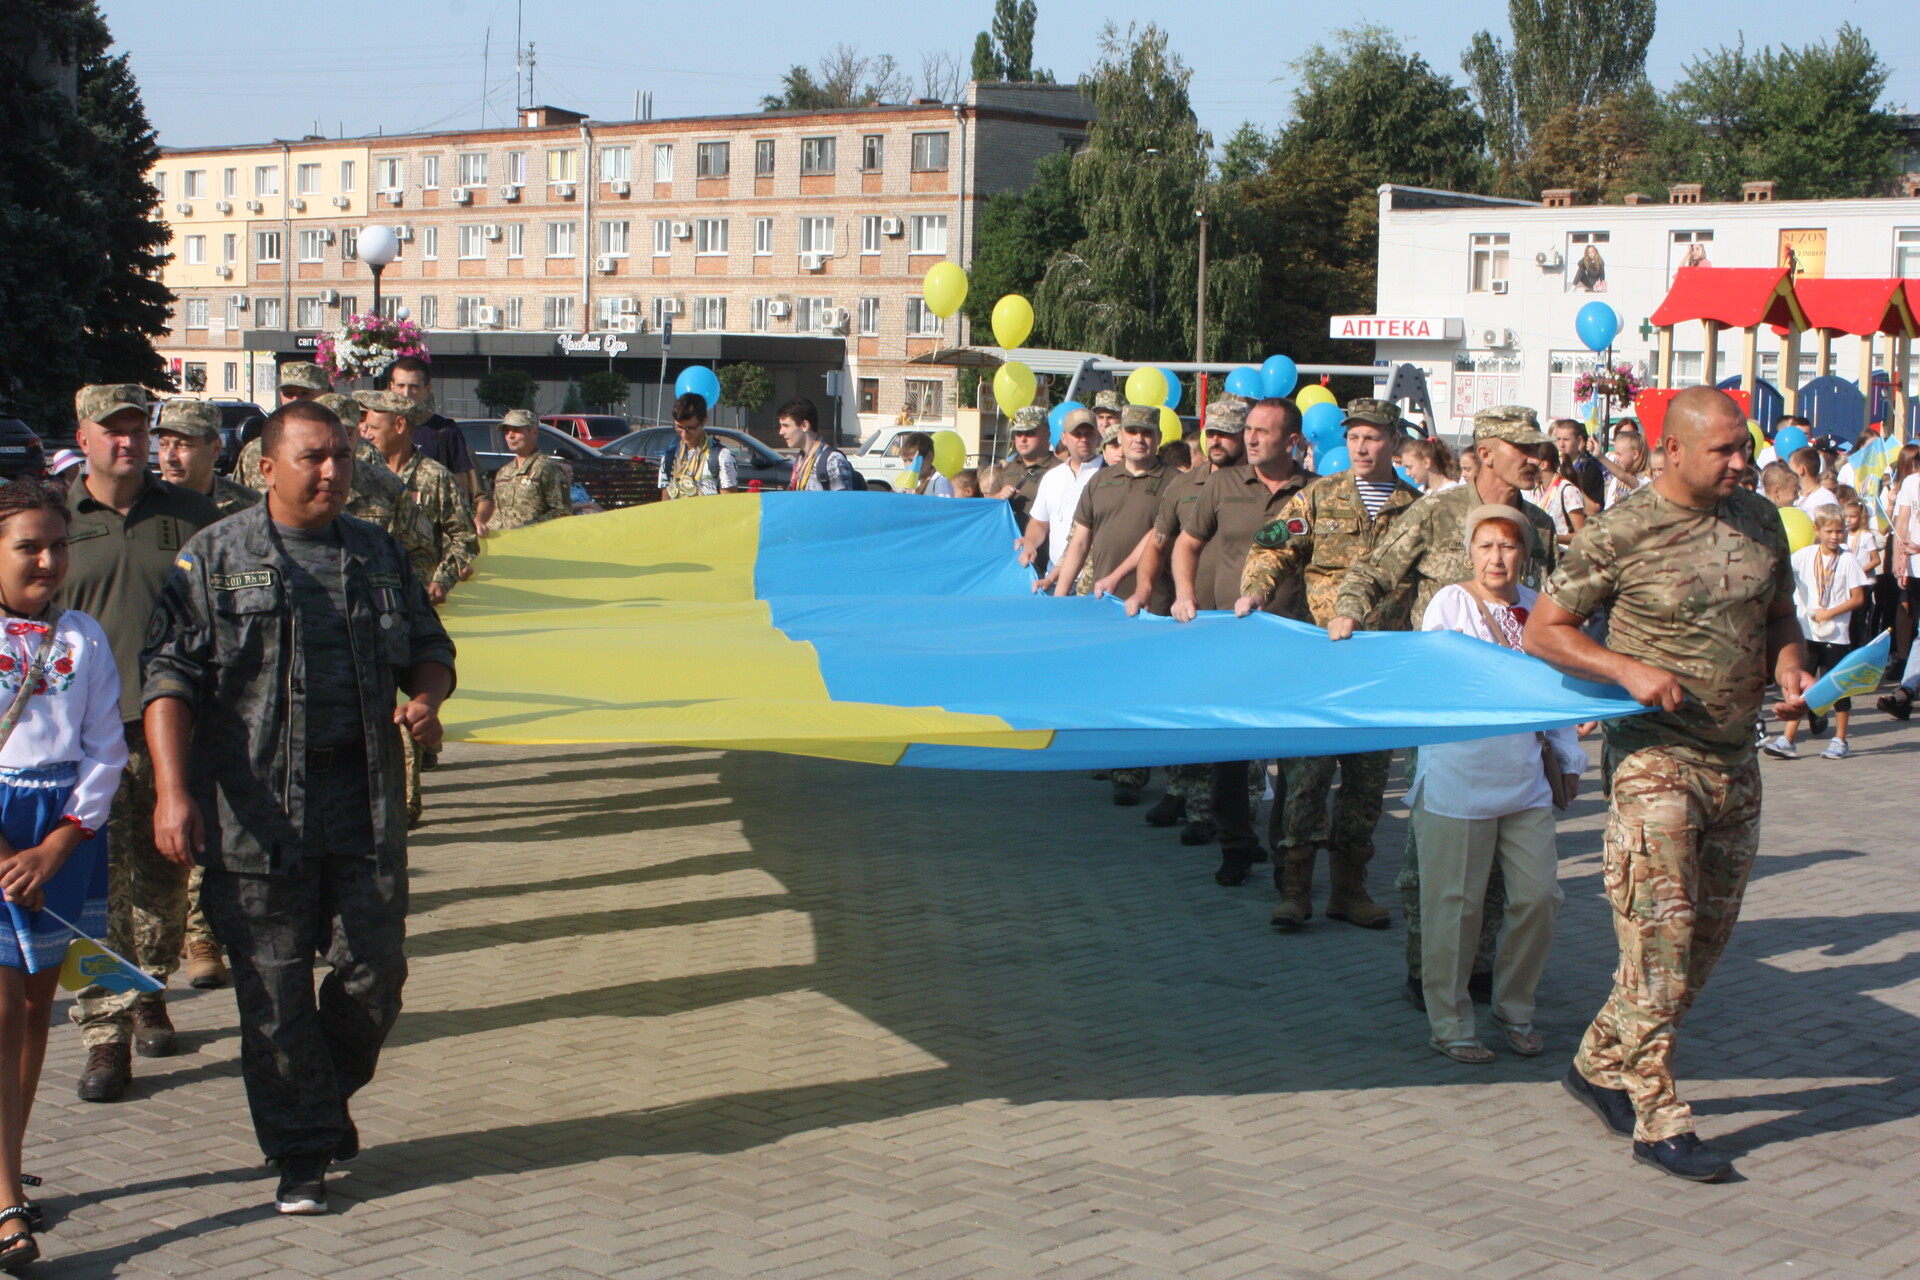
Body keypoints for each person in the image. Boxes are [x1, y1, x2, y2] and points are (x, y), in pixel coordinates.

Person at [143, 398, 456, 1215]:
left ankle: (314, 1096)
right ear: (266, 467)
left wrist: (426, 699)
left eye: (343, 458)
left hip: (363, 802)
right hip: (255, 814)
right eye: (314, 457)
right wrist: (173, 793)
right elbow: (167, 678)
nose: (331, 473)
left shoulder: (377, 553)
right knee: (273, 994)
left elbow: (430, 646)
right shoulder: (215, 558)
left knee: (375, 977)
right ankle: (302, 1152)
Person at [1525, 384, 1813, 1184]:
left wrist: (1791, 664)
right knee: (1661, 946)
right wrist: (1626, 669)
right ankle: (1659, 1116)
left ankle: (1594, 1065)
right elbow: (1544, 632)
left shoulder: (1756, 518)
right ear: (1672, 451)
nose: (1739, 460)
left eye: (1742, 446)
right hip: (1654, 761)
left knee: (1703, 951)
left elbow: (1780, 615)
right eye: (1723, 449)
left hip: (1735, 760)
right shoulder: (1619, 533)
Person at [1330, 406, 1558, 1004]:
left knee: (1503, 874)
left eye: (1537, 448)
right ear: (1486, 451)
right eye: (1522, 447)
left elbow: (1561, 605)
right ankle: (1425, 974)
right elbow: (1377, 570)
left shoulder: (1536, 524)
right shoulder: (1437, 511)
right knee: (1430, 867)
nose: (1536, 458)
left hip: (1515, 724)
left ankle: (1479, 971)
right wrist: (1348, 609)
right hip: (1449, 717)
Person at [58, 385, 218, 1103]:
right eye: (111, 431)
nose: (127, 443)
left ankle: (147, 984)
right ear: (83, 435)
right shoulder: (56, 517)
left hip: (169, 726)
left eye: (136, 431)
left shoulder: (189, 515)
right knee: (92, 892)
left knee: (161, 880)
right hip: (80, 737)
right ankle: (105, 1037)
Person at [0, 479, 128, 1271]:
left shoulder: (83, 638)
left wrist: (58, 847)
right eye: (27, 547)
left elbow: (105, 745)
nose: (48, 560)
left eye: (57, 544)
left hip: (62, 838)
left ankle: (7, 1154)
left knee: (36, 1009)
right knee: (3, 1011)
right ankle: (7, 1196)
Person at [1238, 399, 1422, 922]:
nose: (1362, 447)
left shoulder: (1415, 507)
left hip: (1377, 671)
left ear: (1394, 443)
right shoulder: (1319, 498)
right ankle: (1295, 890)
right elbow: (1272, 547)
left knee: (1365, 786)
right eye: (1355, 437)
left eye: (1373, 437)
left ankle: (1350, 891)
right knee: (1306, 779)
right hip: (1321, 664)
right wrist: (1254, 590)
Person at [1412, 506, 1583, 1064]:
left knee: (1538, 897)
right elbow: (1437, 680)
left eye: (1508, 547)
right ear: (1470, 552)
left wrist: (1570, 755)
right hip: (1458, 779)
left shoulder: (1539, 610)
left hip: (1524, 780)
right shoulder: (1450, 604)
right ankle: (1451, 1023)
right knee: (1454, 906)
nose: (1496, 557)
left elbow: (1555, 691)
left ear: (1525, 556)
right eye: (1485, 546)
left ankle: (1515, 1009)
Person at [1166, 396, 1314, 877]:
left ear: (1292, 441)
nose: (1249, 438)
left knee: (1294, 755)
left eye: (1262, 431)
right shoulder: (1223, 483)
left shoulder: (1317, 490)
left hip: (1295, 639)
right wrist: (1184, 595)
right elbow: (1186, 544)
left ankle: (1287, 852)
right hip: (1230, 636)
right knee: (1231, 748)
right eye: (1247, 429)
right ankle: (1234, 842)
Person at [1043, 405, 1173, 806]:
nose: (1139, 439)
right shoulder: (1101, 481)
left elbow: (1161, 537)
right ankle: (1116, 758)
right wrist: (1062, 598)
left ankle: (1133, 771)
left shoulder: (1174, 481)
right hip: (1104, 606)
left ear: (1157, 438)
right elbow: (1079, 541)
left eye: (1147, 433)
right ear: (1118, 437)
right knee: (1111, 685)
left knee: (1146, 689)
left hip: (1155, 605)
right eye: (1132, 432)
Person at [1761, 506, 1866, 761]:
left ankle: (1840, 739)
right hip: (1808, 632)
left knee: (1839, 688)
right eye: (1829, 531)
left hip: (1837, 635)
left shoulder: (1848, 560)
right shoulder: (1806, 556)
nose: (1835, 536)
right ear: (1816, 531)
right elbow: (1782, 569)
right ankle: (1788, 738)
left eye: (1839, 531)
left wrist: (1830, 613)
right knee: (1800, 686)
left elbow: (1858, 598)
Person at [386, 355, 489, 533]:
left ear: (427, 389)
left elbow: (460, 490)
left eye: (414, 387)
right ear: (391, 387)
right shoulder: (381, 429)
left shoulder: (445, 431)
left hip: (431, 534)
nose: (406, 393)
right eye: (401, 386)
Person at [1019, 409, 1103, 573]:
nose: (1083, 439)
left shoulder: (1109, 476)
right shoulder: (1052, 477)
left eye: (1089, 433)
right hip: (1054, 572)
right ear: (1064, 438)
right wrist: (1030, 542)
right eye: (1077, 434)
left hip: (1093, 578)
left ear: (1098, 438)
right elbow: (1039, 523)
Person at [154, 400, 259, 520]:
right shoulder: (143, 507)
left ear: (215, 449)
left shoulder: (249, 506)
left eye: (183, 445)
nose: (169, 458)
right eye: (163, 444)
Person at [483, 409, 572, 534]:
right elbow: (497, 512)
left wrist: (528, 527)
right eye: (507, 431)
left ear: (534, 432)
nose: (510, 435)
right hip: (505, 543)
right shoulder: (504, 472)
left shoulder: (547, 468)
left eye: (516, 430)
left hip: (534, 543)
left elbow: (562, 512)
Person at [660, 393, 737, 499]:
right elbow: (665, 505)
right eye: (679, 427)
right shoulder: (669, 456)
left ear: (704, 420)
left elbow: (729, 504)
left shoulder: (722, 457)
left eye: (690, 428)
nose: (684, 434)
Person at [778, 398, 856, 492]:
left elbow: (843, 503)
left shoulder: (833, 460)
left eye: (786, 426)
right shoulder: (800, 459)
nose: (781, 432)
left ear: (804, 426)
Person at [1530, 442, 1589, 548]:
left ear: (1543, 464)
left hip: (1564, 556)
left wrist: (1551, 538)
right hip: (1544, 554)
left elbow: (1581, 533)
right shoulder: (1538, 490)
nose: (1529, 468)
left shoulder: (1567, 490)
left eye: (1532, 464)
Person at [1552, 419, 1606, 509]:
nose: (1561, 444)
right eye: (1558, 439)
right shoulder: (1554, 465)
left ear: (1580, 440)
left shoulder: (1590, 469)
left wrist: (1574, 486)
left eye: (1566, 440)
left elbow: (1594, 510)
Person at [1598, 427, 1649, 509]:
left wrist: (1600, 456)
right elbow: (1608, 508)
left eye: (1619, 454)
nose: (1616, 458)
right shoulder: (1616, 480)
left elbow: (1622, 476)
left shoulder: (1645, 479)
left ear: (1635, 454)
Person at [1790, 447, 1839, 516]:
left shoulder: (1826, 499)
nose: (1788, 473)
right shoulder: (1794, 497)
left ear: (1801, 469)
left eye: (1791, 468)